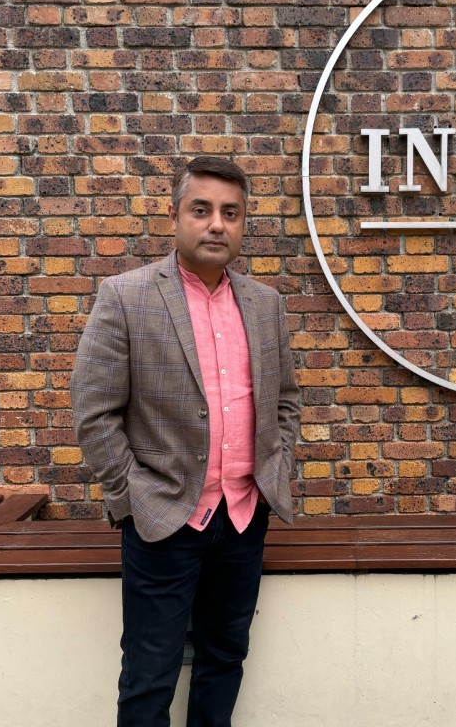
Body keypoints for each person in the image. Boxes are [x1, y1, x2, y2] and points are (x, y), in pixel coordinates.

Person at [71, 156, 301, 727]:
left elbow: (286, 401)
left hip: (243, 518)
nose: (217, 224)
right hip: (164, 520)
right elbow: (94, 411)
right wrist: (131, 495)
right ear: (174, 216)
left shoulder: (265, 304)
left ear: (243, 223)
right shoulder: (125, 296)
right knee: (148, 675)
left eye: (231, 213)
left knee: (224, 659)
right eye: (202, 210)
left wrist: (274, 468)